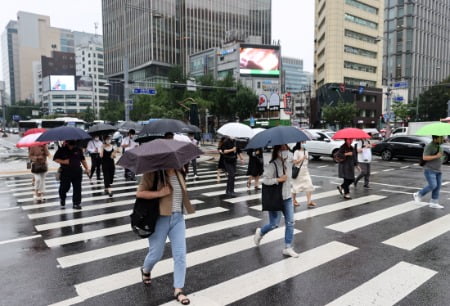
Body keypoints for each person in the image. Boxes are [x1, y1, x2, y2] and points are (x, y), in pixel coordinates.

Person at [137, 168, 195, 305]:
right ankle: (145, 270)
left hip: (178, 218)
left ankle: (178, 289)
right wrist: (160, 193)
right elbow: (139, 193)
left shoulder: (179, 171)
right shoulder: (152, 172)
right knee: (156, 254)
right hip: (159, 219)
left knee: (180, 255)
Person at [253, 144, 299, 258]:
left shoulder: (288, 163)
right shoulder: (272, 165)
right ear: (277, 151)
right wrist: (279, 179)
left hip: (287, 197)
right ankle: (260, 232)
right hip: (276, 198)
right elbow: (265, 181)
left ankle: (287, 247)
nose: (285, 151)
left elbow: (290, 178)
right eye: (282, 149)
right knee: (274, 224)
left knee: (290, 222)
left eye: (286, 149)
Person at [54, 140, 90, 209]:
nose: (72, 146)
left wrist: (87, 168)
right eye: (71, 144)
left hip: (77, 171)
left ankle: (76, 203)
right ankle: (62, 198)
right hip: (65, 171)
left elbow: (83, 160)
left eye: (73, 144)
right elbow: (55, 159)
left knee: (77, 188)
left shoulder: (78, 149)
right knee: (64, 187)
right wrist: (63, 161)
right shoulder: (62, 150)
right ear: (67, 143)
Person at [413, 135, 444, 209]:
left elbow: (440, 157)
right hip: (430, 169)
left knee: (437, 187)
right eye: (441, 138)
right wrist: (436, 156)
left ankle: (434, 202)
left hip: (438, 169)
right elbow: (425, 157)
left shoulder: (440, 147)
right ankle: (418, 194)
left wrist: (441, 158)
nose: (442, 139)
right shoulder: (429, 146)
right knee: (433, 185)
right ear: (435, 138)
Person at [291, 142, 316, 208]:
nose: (304, 143)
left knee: (309, 185)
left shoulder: (306, 151)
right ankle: (293, 200)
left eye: (304, 142)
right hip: (298, 171)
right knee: (296, 186)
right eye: (302, 142)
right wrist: (302, 159)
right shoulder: (296, 151)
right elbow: (295, 162)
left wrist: (306, 159)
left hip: (305, 171)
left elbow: (307, 161)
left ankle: (309, 201)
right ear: (299, 143)